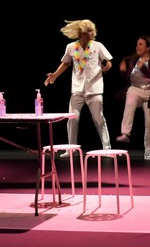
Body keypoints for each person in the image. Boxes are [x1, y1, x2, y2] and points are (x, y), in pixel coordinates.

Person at [44, 19, 113, 157]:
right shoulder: (71, 47)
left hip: (94, 88)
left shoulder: (98, 46)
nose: (92, 33)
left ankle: (107, 148)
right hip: (77, 89)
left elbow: (109, 61)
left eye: (93, 30)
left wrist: (107, 67)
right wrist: (55, 75)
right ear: (82, 33)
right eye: (89, 31)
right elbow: (65, 63)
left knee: (99, 118)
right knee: (72, 119)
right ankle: (71, 149)